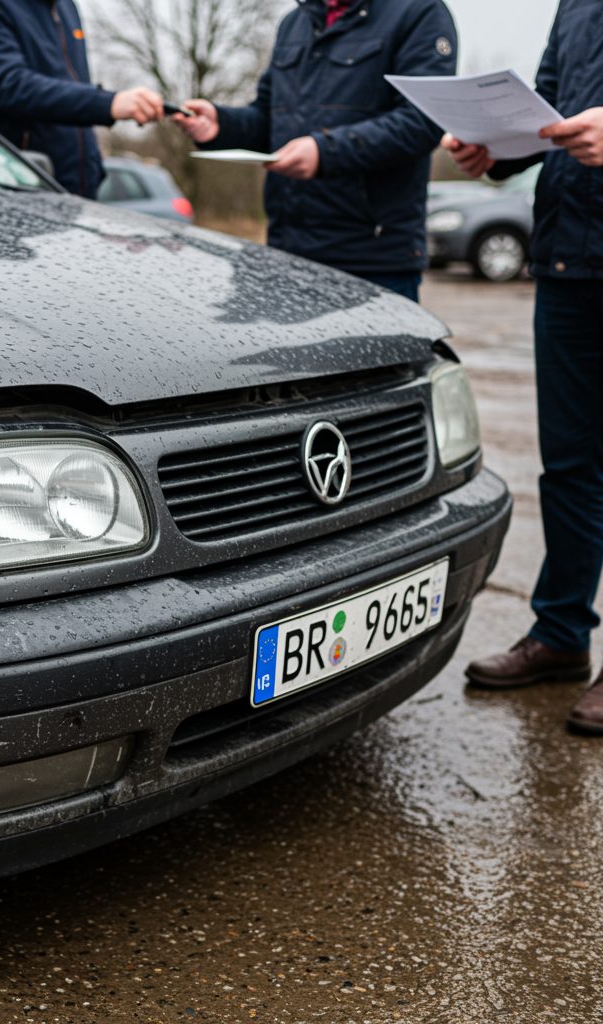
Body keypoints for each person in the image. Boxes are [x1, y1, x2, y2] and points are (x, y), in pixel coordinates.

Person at [446, 1, 603, 735]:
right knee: (568, 463)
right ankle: (561, 636)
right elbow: (546, 113)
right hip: (570, 255)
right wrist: (496, 151)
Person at [175, 0, 457, 301]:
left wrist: (325, 152)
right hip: (287, 255)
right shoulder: (293, 24)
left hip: (372, 263)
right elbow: (268, 120)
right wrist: (221, 125)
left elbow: (422, 121)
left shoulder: (418, 12)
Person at [0, 0, 163, 198]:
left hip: (79, 190)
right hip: (16, 190)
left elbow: (73, 86)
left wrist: (92, 166)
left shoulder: (65, 7)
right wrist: (107, 103)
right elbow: (10, 85)